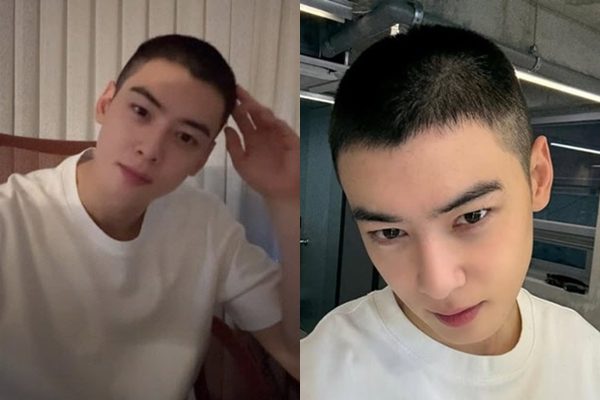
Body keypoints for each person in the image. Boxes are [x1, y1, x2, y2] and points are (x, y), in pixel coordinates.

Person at [300, 24, 600, 399]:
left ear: (537, 178)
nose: (438, 284)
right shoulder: (317, 376)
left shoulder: (586, 358)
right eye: (390, 233)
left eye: (472, 216)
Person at [0, 34, 299, 399]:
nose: (151, 149)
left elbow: (294, 350)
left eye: (185, 137)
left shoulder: (207, 224)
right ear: (105, 103)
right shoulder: (11, 218)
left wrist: (285, 198)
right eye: (141, 112)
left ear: (201, 159)